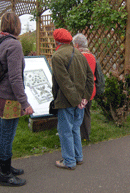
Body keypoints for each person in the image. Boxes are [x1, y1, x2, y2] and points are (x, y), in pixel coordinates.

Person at [0, 12, 34, 187]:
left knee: (3, 134)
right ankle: (5, 174)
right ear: (17, 26)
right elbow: (15, 78)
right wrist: (25, 103)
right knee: (7, 135)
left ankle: (5, 167)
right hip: (8, 99)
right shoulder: (14, 45)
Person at [51, 28, 94, 170]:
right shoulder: (80, 54)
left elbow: (64, 83)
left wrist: (77, 100)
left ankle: (69, 161)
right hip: (80, 101)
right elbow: (89, 77)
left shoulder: (57, 56)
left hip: (66, 101)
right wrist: (85, 98)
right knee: (75, 128)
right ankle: (78, 157)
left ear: (56, 40)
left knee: (65, 131)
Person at [72, 33, 96, 141]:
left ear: (76, 45)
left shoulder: (80, 56)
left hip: (83, 89)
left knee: (81, 114)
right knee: (87, 112)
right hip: (91, 88)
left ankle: (83, 136)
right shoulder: (91, 55)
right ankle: (86, 134)